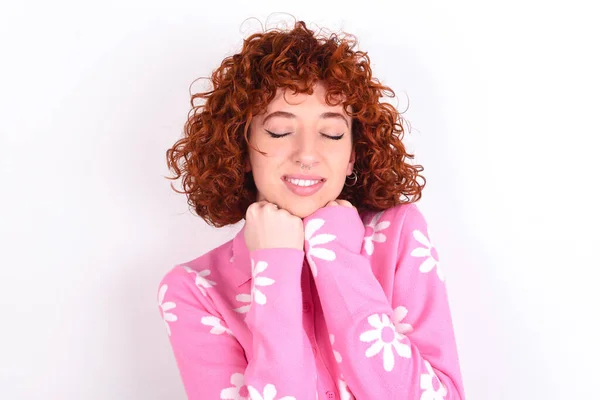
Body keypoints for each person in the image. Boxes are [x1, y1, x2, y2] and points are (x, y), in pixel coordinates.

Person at [158, 20, 465, 400]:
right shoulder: (195, 288)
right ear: (244, 147)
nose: (306, 154)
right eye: (279, 131)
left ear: (353, 153)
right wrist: (275, 265)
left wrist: (334, 252)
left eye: (332, 133)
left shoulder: (399, 235)